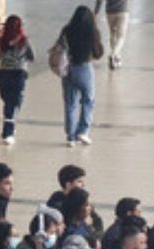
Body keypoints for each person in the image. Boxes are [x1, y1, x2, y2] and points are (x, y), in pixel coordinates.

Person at [57, 6, 104, 147]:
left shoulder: (67, 31)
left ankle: (70, 137)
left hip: (68, 69)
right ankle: (83, 131)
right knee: (88, 101)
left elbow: (59, 48)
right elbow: (98, 53)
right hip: (85, 69)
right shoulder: (92, 32)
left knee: (70, 104)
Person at [0, 15, 34, 144]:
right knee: (13, 103)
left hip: (3, 73)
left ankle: (9, 127)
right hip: (19, 73)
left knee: (8, 102)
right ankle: (8, 133)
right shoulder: (24, 41)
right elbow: (31, 56)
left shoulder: (1, 41)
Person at [95, 0, 130, 69]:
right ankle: (113, 54)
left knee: (112, 34)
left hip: (110, 11)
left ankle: (116, 59)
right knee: (121, 37)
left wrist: (96, 11)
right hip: (122, 10)